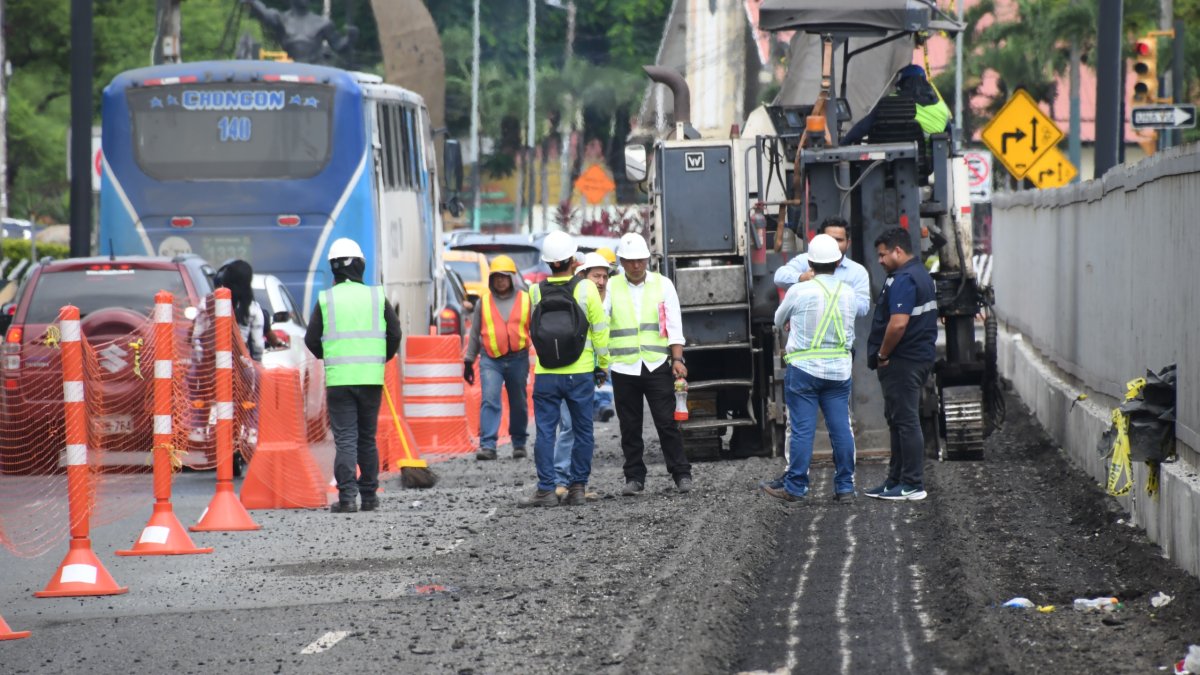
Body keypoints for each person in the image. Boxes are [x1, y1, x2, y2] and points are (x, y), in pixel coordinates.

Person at [304, 238, 402, 513]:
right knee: (367, 438)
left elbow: (312, 339)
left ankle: (347, 498)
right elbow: (395, 333)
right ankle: (369, 497)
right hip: (371, 378)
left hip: (340, 380)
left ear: (334, 268)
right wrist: (382, 357)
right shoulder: (375, 296)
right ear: (360, 265)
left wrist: (331, 355)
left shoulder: (327, 299)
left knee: (346, 438)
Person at [760, 234, 858, 503]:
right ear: (838, 262)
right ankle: (846, 487)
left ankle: (795, 487)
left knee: (803, 429)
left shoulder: (799, 290)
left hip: (804, 369)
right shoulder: (848, 292)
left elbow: (778, 320)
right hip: (840, 369)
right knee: (841, 428)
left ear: (810, 264)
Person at [519, 231, 610, 507]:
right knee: (583, 431)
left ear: (549, 262)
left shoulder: (535, 291)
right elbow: (600, 332)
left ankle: (546, 490)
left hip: (546, 373)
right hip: (579, 373)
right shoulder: (586, 289)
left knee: (546, 432)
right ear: (573, 260)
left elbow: (533, 329)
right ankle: (577, 488)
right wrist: (602, 366)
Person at [607, 233, 693, 496]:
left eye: (640, 260)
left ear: (647, 259)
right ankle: (634, 478)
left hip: (656, 364)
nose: (636, 266)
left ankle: (681, 474)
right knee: (629, 426)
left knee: (667, 422)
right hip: (623, 366)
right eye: (630, 261)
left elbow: (674, 325)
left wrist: (677, 359)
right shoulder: (611, 287)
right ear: (621, 261)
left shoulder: (662, 284)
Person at [865, 227, 938, 501]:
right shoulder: (919, 274)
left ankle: (912, 484)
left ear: (898, 251)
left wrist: (883, 354)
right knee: (897, 420)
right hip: (914, 359)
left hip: (904, 361)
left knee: (906, 420)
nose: (880, 260)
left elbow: (898, 324)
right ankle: (894, 481)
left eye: (883, 255)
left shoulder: (905, 279)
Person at [463, 255, 531, 461]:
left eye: (504, 276)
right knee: (490, 399)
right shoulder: (483, 302)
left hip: (519, 358)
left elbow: (535, 328)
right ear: (491, 279)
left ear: (512, 278)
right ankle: (488, 445)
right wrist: (468, 360)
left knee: (518, 401)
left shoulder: (526, 300)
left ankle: (519, 443)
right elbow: (475, 333)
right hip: (491, 359)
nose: (500, 280)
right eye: (496, 277)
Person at [773, 216, 871, 319]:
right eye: (829, 239)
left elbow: (863, 308)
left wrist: (831, 298)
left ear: (848, 244)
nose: (833, 244)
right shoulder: (805, 259)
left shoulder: (858, 271)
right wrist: (802, 277)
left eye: (839, 240)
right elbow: (779, 277)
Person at [841, 65, 951, 145]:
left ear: (903, 83)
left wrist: (843, 144)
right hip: (923, 166)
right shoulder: (941, 108)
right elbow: (950, 136)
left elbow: (862, 128)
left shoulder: (887, 102)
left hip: (883, 165)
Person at [242, 0, 358, 64]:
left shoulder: (322, 23)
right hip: (291, 70)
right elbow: (264, 13)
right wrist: (252, 3)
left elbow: (339, 46)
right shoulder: (281, 19)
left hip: (316, 72)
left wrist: (350, 39)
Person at [578, 252, 616, 423]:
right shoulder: (576, 298)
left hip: (601, 357)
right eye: (596, 276)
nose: (601, 281)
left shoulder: (609, 298)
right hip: (580, 362)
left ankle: (602, 406)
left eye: (604, 277)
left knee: (604, 384)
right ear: (583, 276)